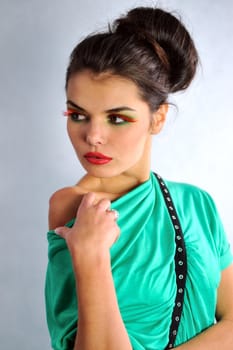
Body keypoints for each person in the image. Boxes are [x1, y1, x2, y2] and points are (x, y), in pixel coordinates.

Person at [45, 6, 233, 350]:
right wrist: (91, 254)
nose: (93, 136)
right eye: (78, 115)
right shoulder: (73, 207)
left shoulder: (198, 205)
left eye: (116, 118)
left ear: (157, 118)